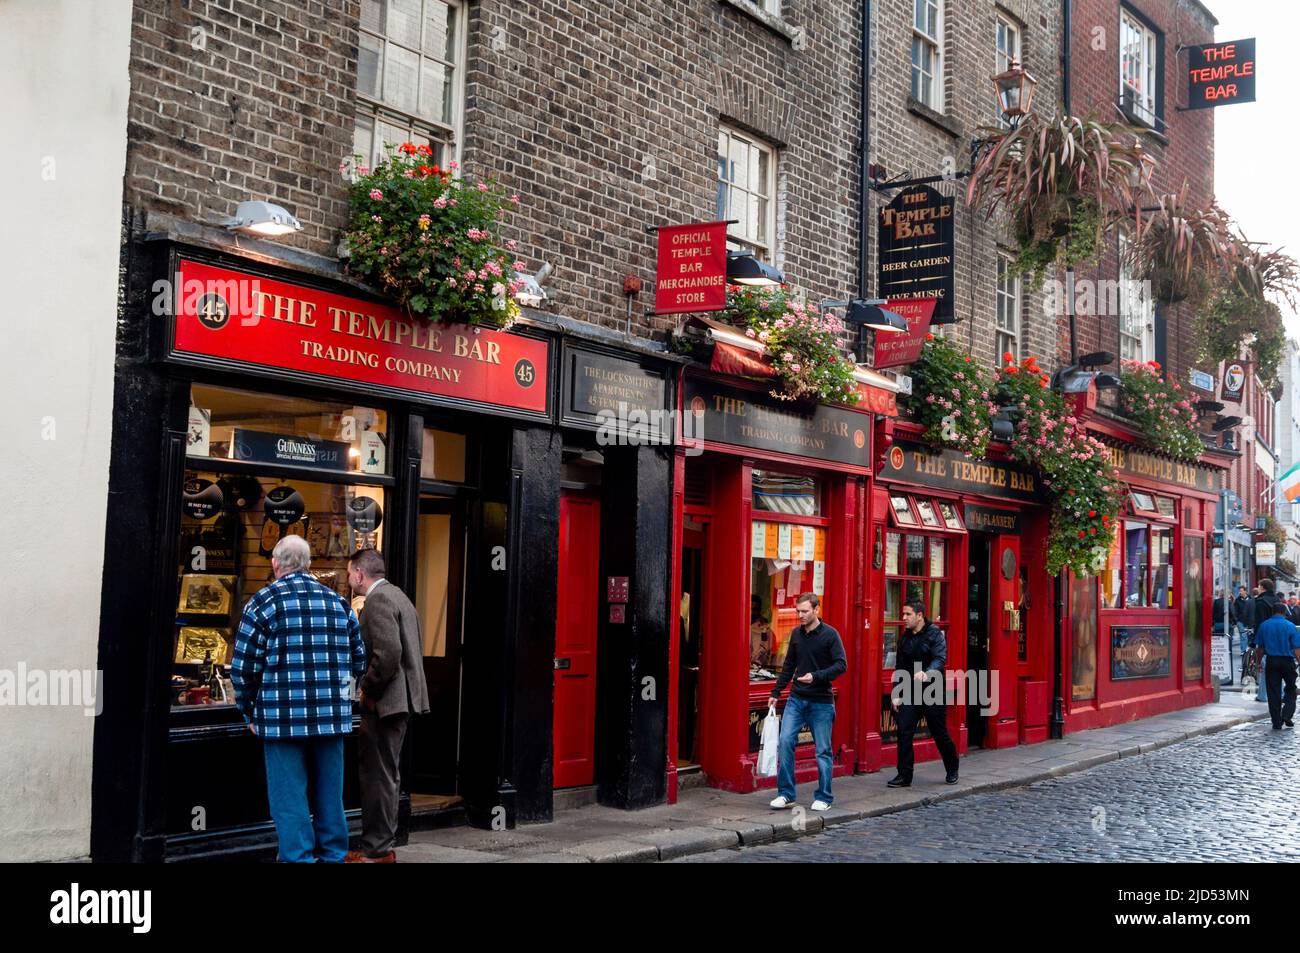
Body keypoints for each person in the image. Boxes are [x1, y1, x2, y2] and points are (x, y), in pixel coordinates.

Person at [232, 535, 366, 863]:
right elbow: (358, 661)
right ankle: (333, 855)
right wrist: (343, 701)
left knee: (289, 797)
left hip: (281, 719)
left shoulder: (263, 602)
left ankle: (298, 858)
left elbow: (243, 668)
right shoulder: (338, 603)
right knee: (330, 796)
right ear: (307, 564)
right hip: (331, 719)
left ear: (276, 564)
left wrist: (249, 711)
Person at [345, 548, 431, 864]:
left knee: (377, 776)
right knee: (388, 774)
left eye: (348, 572)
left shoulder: (378, 601)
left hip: (386, 703)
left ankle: (376, 851)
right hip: (402, 701)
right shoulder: (399, 595)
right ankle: (381, 846)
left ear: (358, 573)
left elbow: (389, 653)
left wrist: (367, 688)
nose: (347, 578)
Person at [768, 593, 846, 812]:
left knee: (822, 750)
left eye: (804, 611)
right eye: (798, 611)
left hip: (821, 702)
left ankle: (824, 796)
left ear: (816, 609)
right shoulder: (796, 635)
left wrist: (816, 676)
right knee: (785, 743)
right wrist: (776, 691)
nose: (800, 615)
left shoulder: (830, 635)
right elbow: (789, 665)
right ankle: (786, 794)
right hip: (796, 698)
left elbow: (841, 665)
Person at [888, 600, 960, 788]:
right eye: (903, 614)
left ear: (919, 616)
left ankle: (952, 768)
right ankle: (904, 776)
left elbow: (940, 658)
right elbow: (900, 667)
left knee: (939, 732)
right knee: (904, 731)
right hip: (911, 690)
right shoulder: (905, 638)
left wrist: (927, 672)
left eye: (908, 614)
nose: (903, 618)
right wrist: (896, 691)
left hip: (933, 690)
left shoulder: (935, 634)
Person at [1254, 602, 1300, 729]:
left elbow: (1260, 648)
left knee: (1273, 691)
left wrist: (1258, 663)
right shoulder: (1290, 626)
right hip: (1287, 661)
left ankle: (1276, 721)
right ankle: (1287, 714)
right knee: (1291, 688)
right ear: (1284, 612)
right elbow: (1297, 648)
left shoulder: (1264, 625)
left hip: (1272, 660)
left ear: (1272, 612)